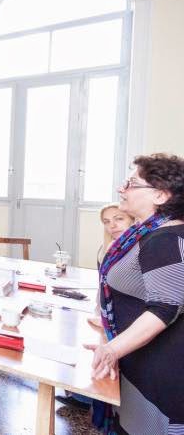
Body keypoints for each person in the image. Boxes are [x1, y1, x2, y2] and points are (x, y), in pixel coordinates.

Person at [86, 153, 184, 435]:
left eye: (131, 183)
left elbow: (164, 309)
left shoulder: (166, 239)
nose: (122, 189)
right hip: (139, 359)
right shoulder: (144, 233)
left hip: (160, 372)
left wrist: (112, 349)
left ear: (160, 195)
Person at [56, 203, 135, 413]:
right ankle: (86, 395)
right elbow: (103, 286)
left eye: (119, 219)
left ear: (133, 219)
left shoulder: (136, 248)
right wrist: (98, 311)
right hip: (108, 312)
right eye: (107, 222)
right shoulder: (107, 248)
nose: (112, 226)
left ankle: (91, 397)